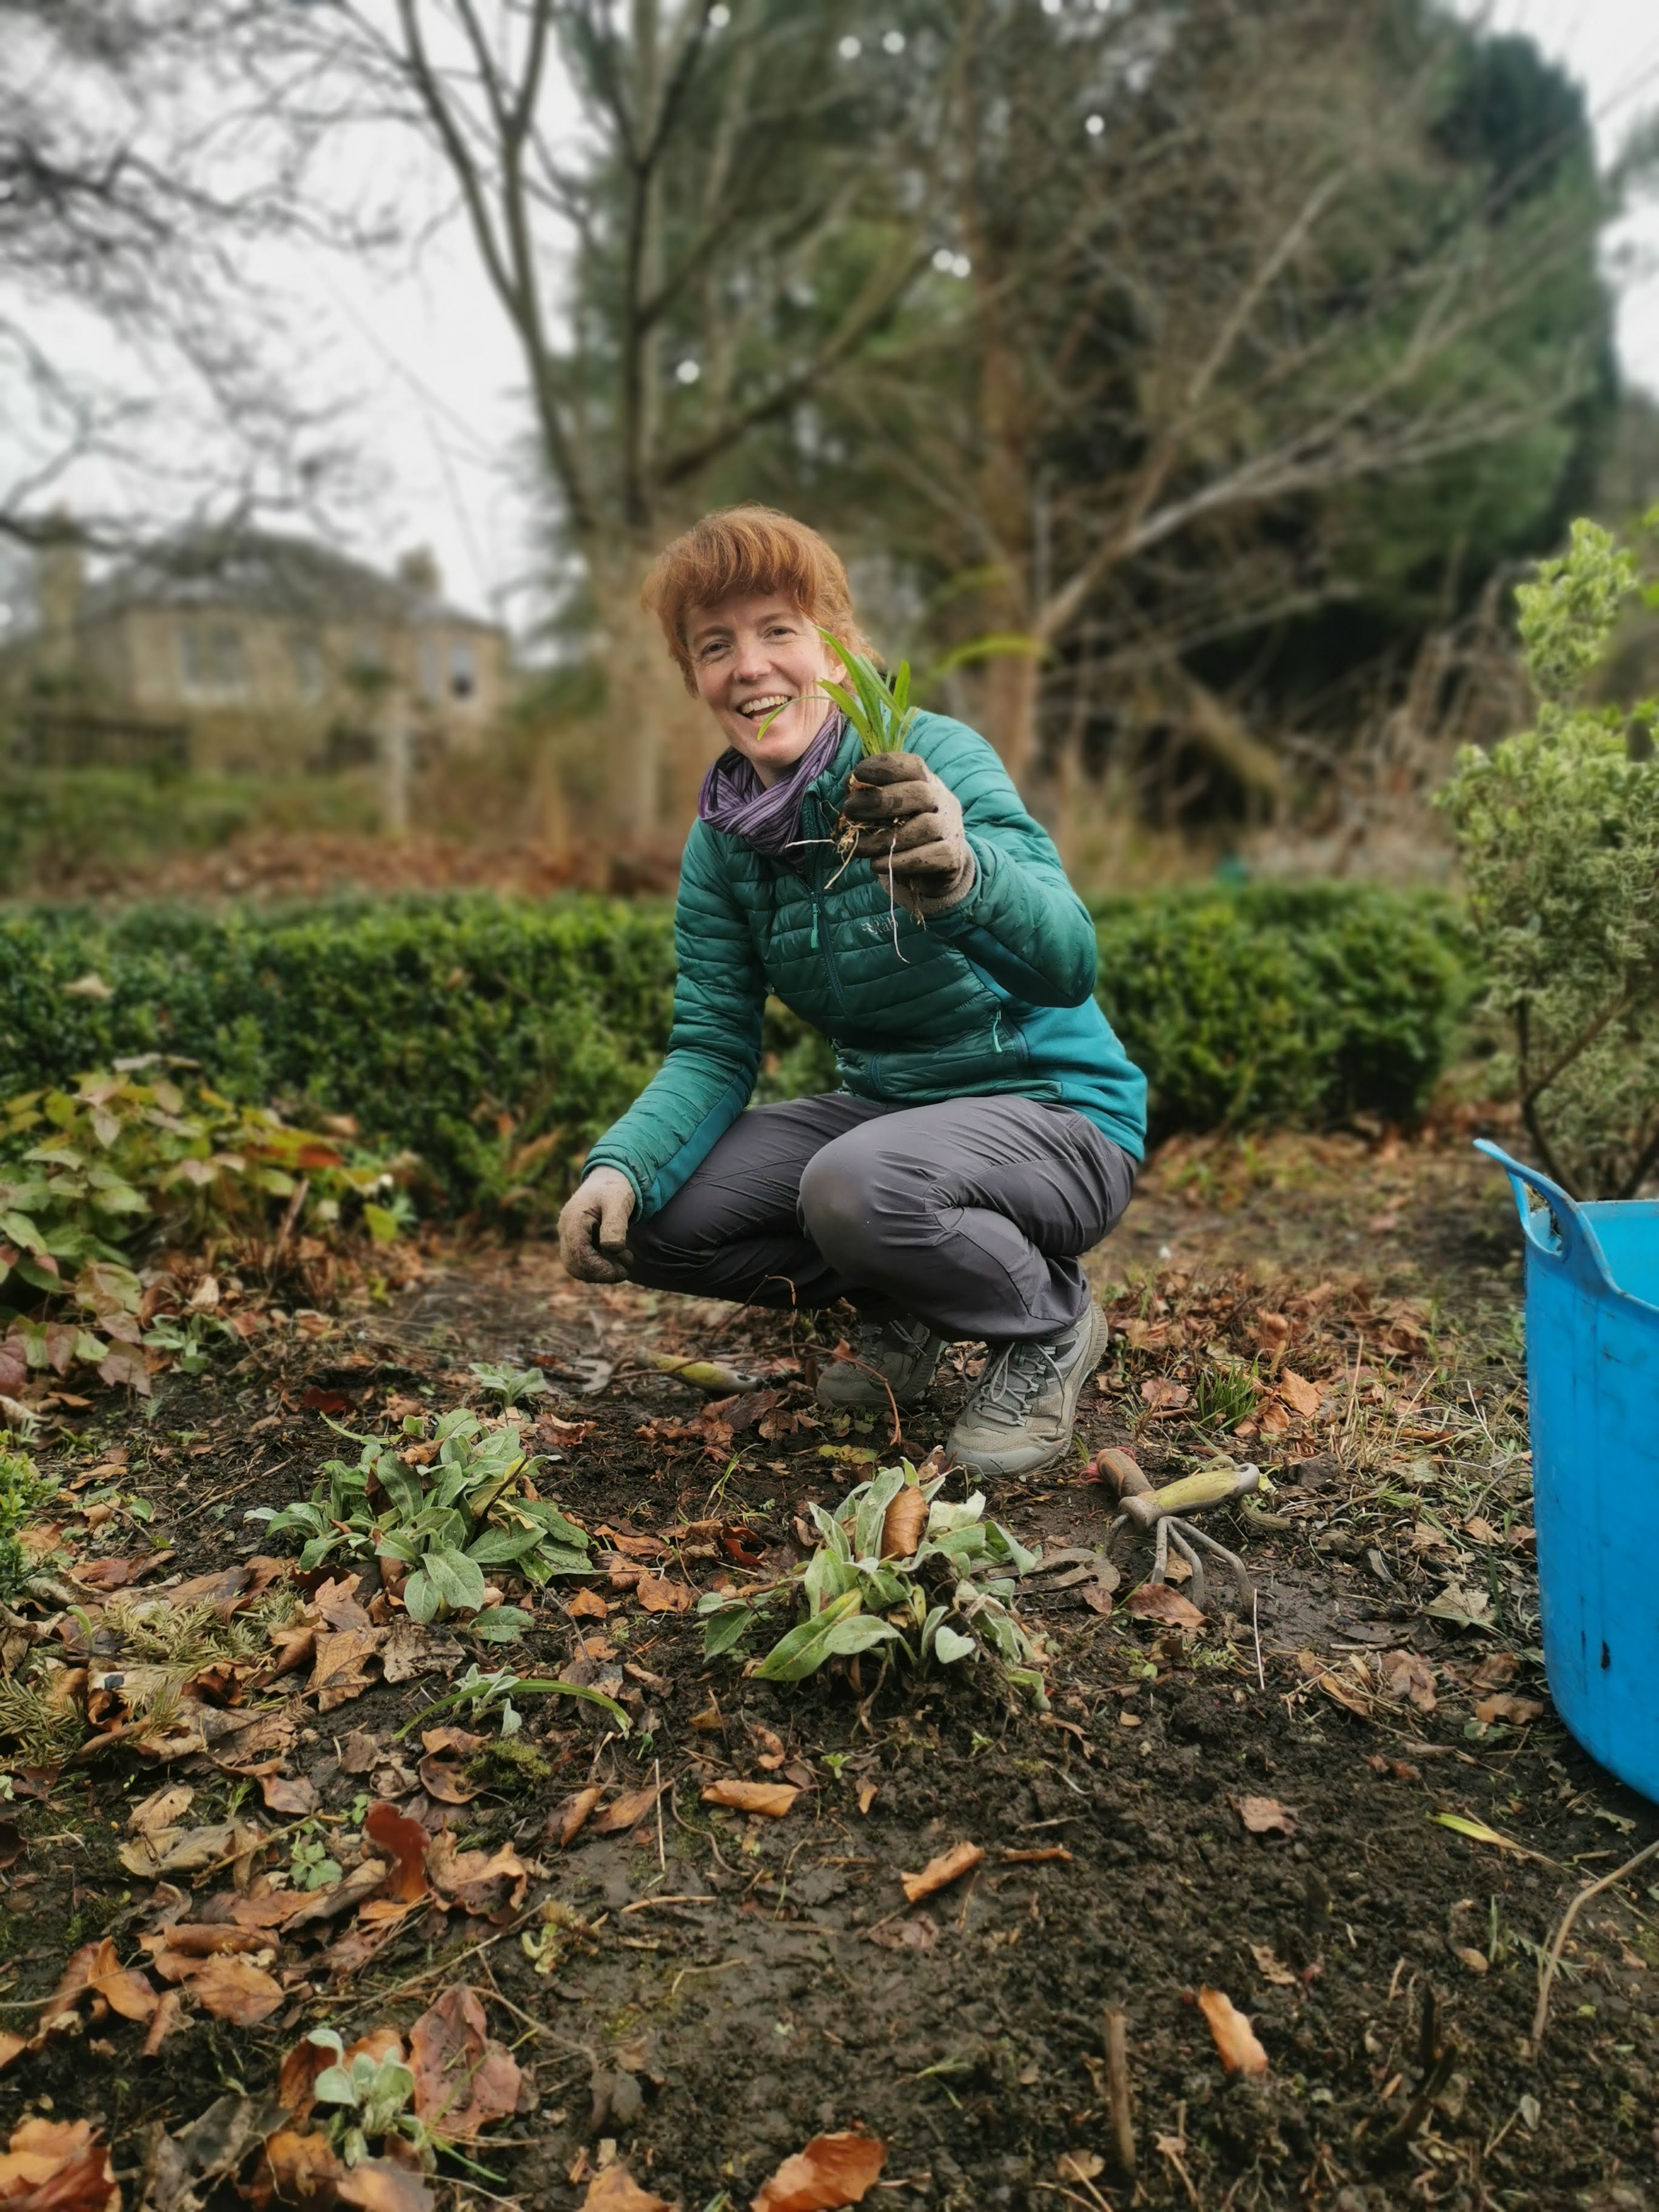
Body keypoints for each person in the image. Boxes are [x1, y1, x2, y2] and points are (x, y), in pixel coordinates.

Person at [557, 505, 1147, 1479]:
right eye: (716, 646)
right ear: (696, 678)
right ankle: (911, 1307)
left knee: (856, 1184)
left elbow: (1068, 963)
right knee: (653, 1217)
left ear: (839, 652)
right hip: (891, 1120)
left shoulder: (925, 762)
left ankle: (1050, 1328)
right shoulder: (724, 846)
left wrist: (964, 877)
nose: (749, 666)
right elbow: (712, 1047)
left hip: (1057, 1118)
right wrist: (622, 1164)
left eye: (778, 630)